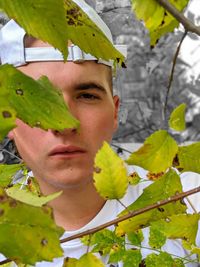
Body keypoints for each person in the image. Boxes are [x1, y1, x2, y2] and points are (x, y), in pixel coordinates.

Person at [0, 1, 200, 266]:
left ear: (115, 111)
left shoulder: (186, 202)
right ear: (8, 120)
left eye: (86, 95)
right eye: (39, 100)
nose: (65, 122)